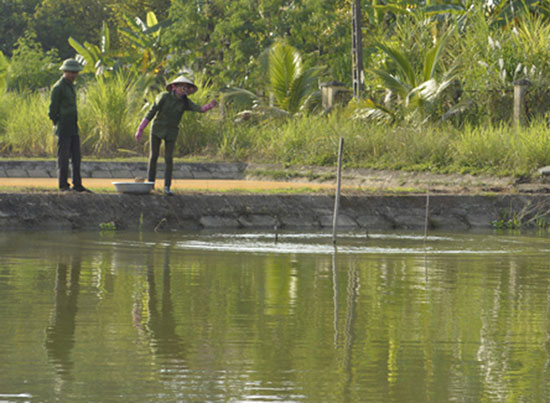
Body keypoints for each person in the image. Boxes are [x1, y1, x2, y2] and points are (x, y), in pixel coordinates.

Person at [135, 76, 218, 195]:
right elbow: (152, 112)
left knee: (169, 158)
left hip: (172, 131)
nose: (184, 91)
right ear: (174, 87)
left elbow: (200, 109)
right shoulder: (164, 97)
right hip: (158, 129)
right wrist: (141, 128)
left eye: (186, 89)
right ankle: (150, 185)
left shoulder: (185, 102)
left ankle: (167, 187)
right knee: (153, 156)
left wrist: (210, 105)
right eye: (182, 88)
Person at [48, 58, 91, 193]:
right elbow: (52, 109)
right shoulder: (58, 87)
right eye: (71, 72)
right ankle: (63, 185)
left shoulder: (71, 86)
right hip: (64, 125)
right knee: (64, 156)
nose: (73, 75)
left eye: (75, 72)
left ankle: (77, 184)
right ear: (65, 72)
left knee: (76, 157)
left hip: (73, 125)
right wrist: (55, 121)